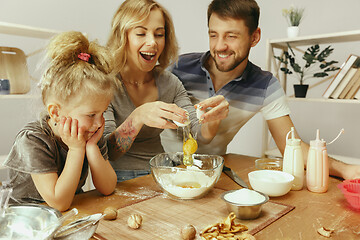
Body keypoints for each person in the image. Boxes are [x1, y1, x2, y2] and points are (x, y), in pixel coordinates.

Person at [161, 0, 359, 180]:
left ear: (254, 37)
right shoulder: (179, 67)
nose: (220, 46)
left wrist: (345, 170)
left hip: (209, 176)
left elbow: (292, 148)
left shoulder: (264, 86)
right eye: (213, 35)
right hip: (160, 168)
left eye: (231, 36)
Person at [104, 0, 229, 182]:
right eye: (141, 33)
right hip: (119, 179)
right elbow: (108, 152)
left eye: (159, 34)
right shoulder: (105, 84)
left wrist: (212, 118)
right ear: (122, 37)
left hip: (162, 173)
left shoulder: (170, 83)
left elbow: (197, 133)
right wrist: (138, 116)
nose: (152, 42)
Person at [3, 31, 117, 211]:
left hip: (67, 213)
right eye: (91, 114)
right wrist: (76, 149)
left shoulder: (89, 134)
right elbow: (59, 201)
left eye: (103, 112)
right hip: (24, 218)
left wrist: (92, 148)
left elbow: (108, 187)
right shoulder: (33, 139)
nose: (99, 123)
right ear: (55, 112)